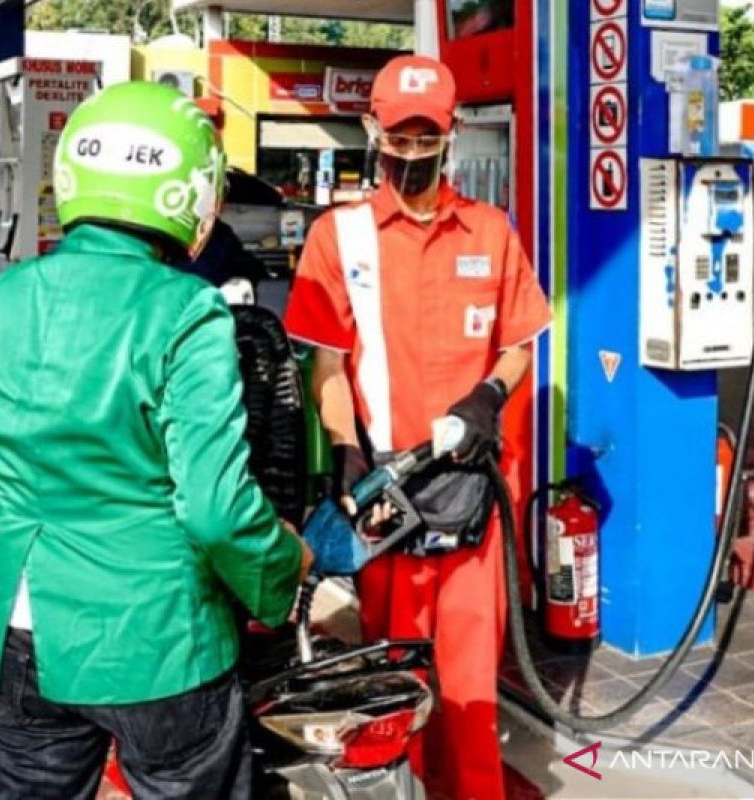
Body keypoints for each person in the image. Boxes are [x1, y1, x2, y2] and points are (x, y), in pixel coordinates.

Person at [0, 81, 312, 800]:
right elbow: (215, 509)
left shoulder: (4, 296)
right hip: (158, 639)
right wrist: (282, 567)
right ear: (191, 192)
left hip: (17, 631)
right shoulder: (187, 309)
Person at [283, 55, 551, 800]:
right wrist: (342, 449)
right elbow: (328, 366)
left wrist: (488, 398)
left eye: (424, 138)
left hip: (469, 499)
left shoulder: (492, 232)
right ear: (373, 130)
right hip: (385, 498)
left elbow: (519, 344)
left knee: (467, 690)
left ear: (451, 134)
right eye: (396, 138)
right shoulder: (338, 238)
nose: (409, 153)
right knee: (392, 685)